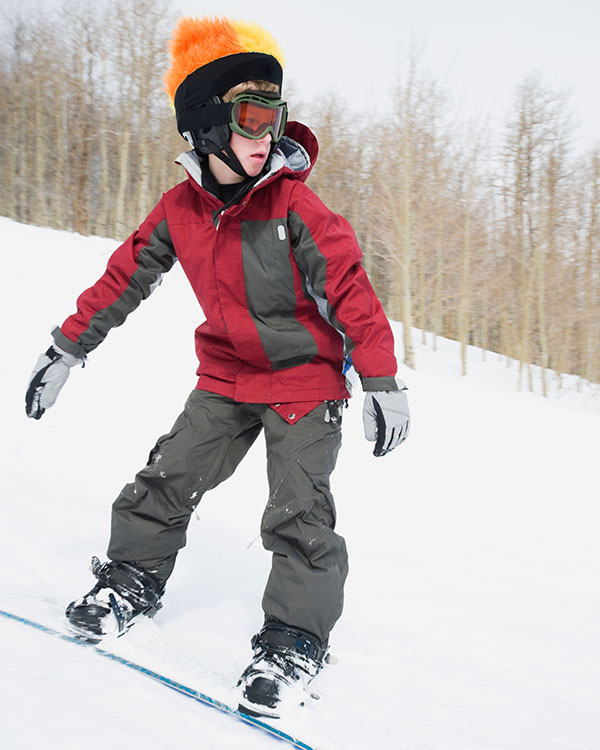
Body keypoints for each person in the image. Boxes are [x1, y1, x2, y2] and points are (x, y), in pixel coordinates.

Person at [25, 16, 410, 718]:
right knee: (166, 476)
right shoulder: (181, 209)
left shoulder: (297, 206)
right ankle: (130, 580)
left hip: (303, 382)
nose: (267, 136)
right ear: (206, 125)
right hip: (227, 377)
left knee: (299, 514)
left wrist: (380, 378)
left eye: (274, 119)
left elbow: (350, 287)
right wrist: (67, 346)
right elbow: (123, 279)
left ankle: (293, 641)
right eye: (251, 119)